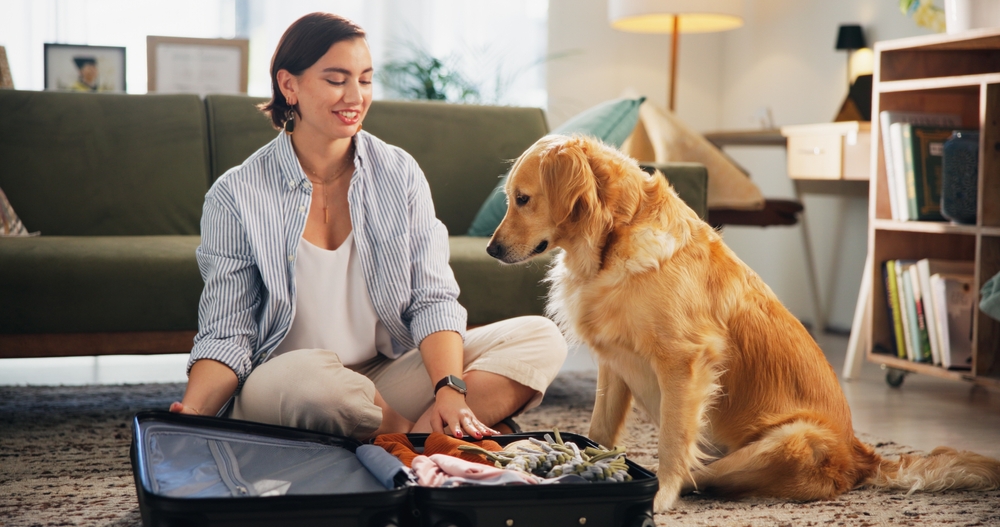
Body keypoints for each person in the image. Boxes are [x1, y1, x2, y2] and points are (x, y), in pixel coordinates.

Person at [169, 12, 567, 441]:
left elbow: (433, 300)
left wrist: (450, 388)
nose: (355, 96)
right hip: (286, 379)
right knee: (312, 380)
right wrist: (192, 413)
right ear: (289, 85)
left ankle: (414, 440)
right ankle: (429, 439)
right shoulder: (236, 193)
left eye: (365, 79)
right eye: (337, 79)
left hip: (386, 374)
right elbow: (228, 333)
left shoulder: (400, 173)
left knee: (541, 336)